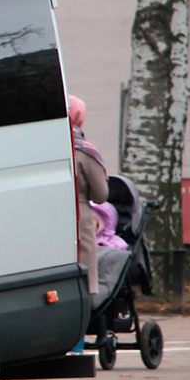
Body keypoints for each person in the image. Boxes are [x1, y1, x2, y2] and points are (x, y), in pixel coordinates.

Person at [69, 95, 108, 302]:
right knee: (82, 284)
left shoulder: (44, 148)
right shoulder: (83, 151)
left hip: (48, 216)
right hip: (79, 217)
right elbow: (101, 195)